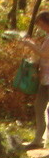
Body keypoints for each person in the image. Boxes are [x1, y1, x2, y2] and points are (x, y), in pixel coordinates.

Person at [22, 11, 49, 149]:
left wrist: (30, 45)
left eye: (41, 24)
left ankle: (39, 140)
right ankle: (39, 140)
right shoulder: (47, 37)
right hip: (45, 78)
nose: (40, 27)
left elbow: (45, 54)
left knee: (42, 107)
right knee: (40, 106)